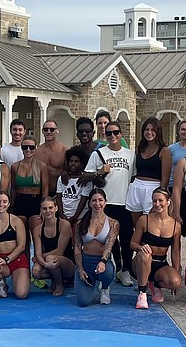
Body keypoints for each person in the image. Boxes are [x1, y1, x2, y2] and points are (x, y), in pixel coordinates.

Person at [85, 121, 137, 287]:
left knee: (126, 239)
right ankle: (110, 268)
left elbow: (134, 177)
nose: (113, 136)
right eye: (109, 133)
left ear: (121, 134)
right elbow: (85, 176)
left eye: (115, 132)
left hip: (124, 202)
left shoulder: (130, 155)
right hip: (105, 204)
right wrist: (100, 172)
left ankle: (126, 270)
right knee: (108, 240)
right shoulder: (98, 154)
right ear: (104, 136)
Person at [131, 188, 182, 309]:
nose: (157, 204)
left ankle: (154, 284)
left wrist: (176, 271)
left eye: (160, 200)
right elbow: (132, 244)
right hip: (141, 262)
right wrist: (141, 247)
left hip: (161, 264)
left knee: (175, 282)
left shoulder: (176, 225)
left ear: (168, 201)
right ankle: (142, 292)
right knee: (145, 254)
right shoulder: (144, 220)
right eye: (154, 201)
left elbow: (175, 252)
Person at [74, 189, 120, 307]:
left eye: (100, 200)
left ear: (105, 202)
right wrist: (80, 269)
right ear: (89, 203)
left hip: (101, 262)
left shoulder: (113, 223)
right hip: (85, 262)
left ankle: (105, 288)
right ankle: (91, 282)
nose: (97, 204)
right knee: (83, 302)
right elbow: (77, 247)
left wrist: (103, 261)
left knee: (107, 272)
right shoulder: (80, 223)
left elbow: (109, 246)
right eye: (94, 200)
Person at [126, 117, 172, 227]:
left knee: (150, 225)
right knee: (137, 226)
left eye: (153, 130)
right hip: (136, 187)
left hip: (153, 188)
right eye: (147, 129)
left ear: (158, 132)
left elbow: (165, 178)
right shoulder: (141, 148)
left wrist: (161, 195)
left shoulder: (164, 150)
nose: (149, 132)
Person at [31, 197, 75, 296]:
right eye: (44, 209)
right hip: (49, 261)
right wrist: (45, 264)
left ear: (56, 208)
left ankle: (59, 284)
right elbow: (37, 253)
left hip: (68, 264)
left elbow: (60, 251)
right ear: (41, 210)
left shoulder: (64, 224)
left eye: (50, 208)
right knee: (36, 271)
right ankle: (55, 279)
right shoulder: (37, 229)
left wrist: (40, 257)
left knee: (51, 258)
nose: (48, 211)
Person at [11, 135, 49, 225]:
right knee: (20, 232)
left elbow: (45, 188)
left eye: (31, 147)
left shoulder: (41, 166)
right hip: (20, 201)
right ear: (21, 148)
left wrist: (44, 206)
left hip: (35, 201)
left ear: (35, 148)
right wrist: (12, 205)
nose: (28, 150)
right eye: (25, 147)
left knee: (36, 231)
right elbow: (13, 188)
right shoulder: (15, 166)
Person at [57, 146, 92, 225]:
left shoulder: (85, 180)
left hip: (80, 217)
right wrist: (61, 214)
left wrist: (75, 217)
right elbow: (59, 197)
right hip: (64, 216)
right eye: (71, 161)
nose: (73, 163)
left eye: (76, 161)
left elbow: (83, 200)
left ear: (82, 164)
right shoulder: (62, 179)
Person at [36, 120, 69, 198]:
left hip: (58, 191)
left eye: (52, 129)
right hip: (40, 192)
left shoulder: (64, 151)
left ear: (57, 131)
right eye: (46, 129)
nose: (48, 132)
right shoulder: (37, 151)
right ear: (42, 131)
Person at [168, 120, 186, 189]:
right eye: (183, 129)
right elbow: (166, 169)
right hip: (173, 185)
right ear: (179, 131)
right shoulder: (171, 148)